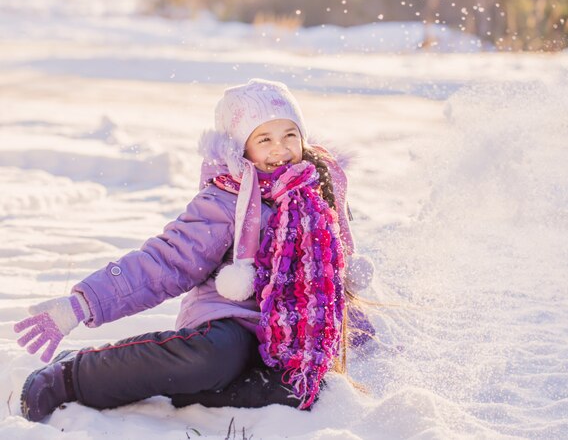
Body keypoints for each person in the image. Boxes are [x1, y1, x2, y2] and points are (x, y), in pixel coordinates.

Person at [14, 78, 375, 422]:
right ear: (241, 147)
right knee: (211, 361)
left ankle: (190, 393)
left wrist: (354, 330)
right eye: (264, 138)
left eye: (289, 135)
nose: (280, 149)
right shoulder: (224, 199)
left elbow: (328, 276)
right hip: (228, 323)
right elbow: (166, 262)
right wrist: (81, 304)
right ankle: (75, 374)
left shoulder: (316, 191)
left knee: (301, 390)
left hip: (288, 332)